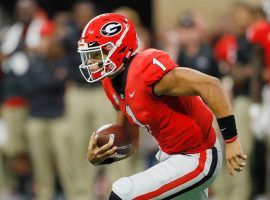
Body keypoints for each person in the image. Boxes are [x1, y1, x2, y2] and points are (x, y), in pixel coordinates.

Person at [77, 13, 247, 199]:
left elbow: (210, 85)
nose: (91, 63)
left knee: (122, 192)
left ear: (116, 49)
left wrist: (231, 140)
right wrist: (104, 157)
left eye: (96, 55)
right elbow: (131, 142)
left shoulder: (145, 68)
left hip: (197, 155)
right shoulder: (110, 84)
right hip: (171, 156)